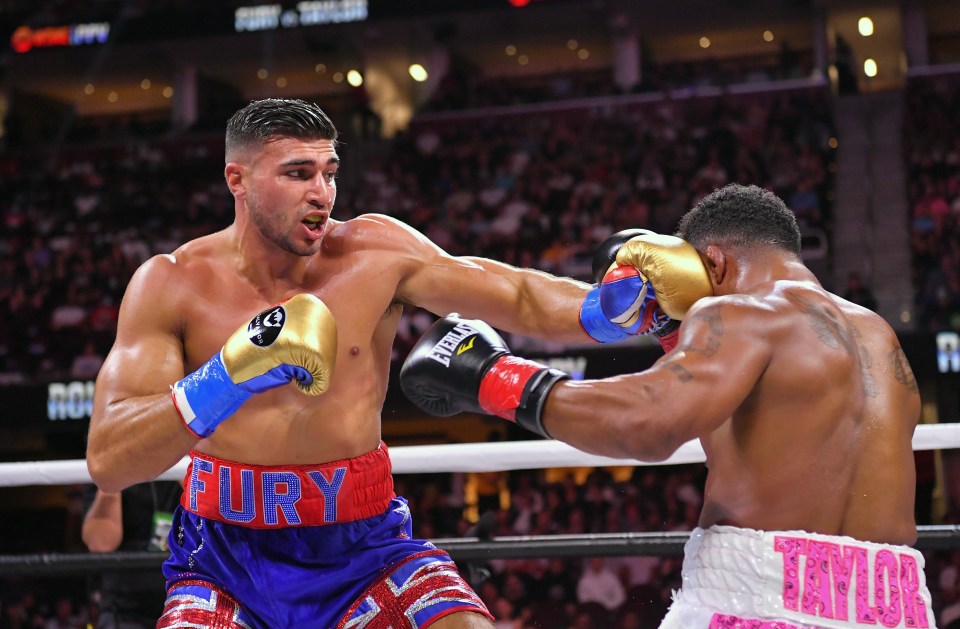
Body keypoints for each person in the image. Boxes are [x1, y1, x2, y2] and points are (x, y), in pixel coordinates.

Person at [85, 98, 617, 628]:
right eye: (298, 173)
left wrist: (612, 307)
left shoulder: (374, 253)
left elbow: (517, 294)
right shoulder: (171, 283)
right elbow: (111, 459)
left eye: (329, 172)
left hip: (366, 547)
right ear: (237, 180)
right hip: (223, 559)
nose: (321, 192)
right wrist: (226, 376)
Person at [401, 183, 934, 628]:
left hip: (760, 600)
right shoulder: (877, 336)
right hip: (899, 604)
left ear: (713, 261)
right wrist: (673, 338)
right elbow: (779, 436)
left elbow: (646, 423)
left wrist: (493, 376)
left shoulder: (744, 314)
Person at [82, 481, 183, 629]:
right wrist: (114, 476)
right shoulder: (107, 471)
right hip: (124, 608)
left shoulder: (190, 466)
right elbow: (101, 543)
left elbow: (214, 530)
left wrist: (189, 470)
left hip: (188, 601)